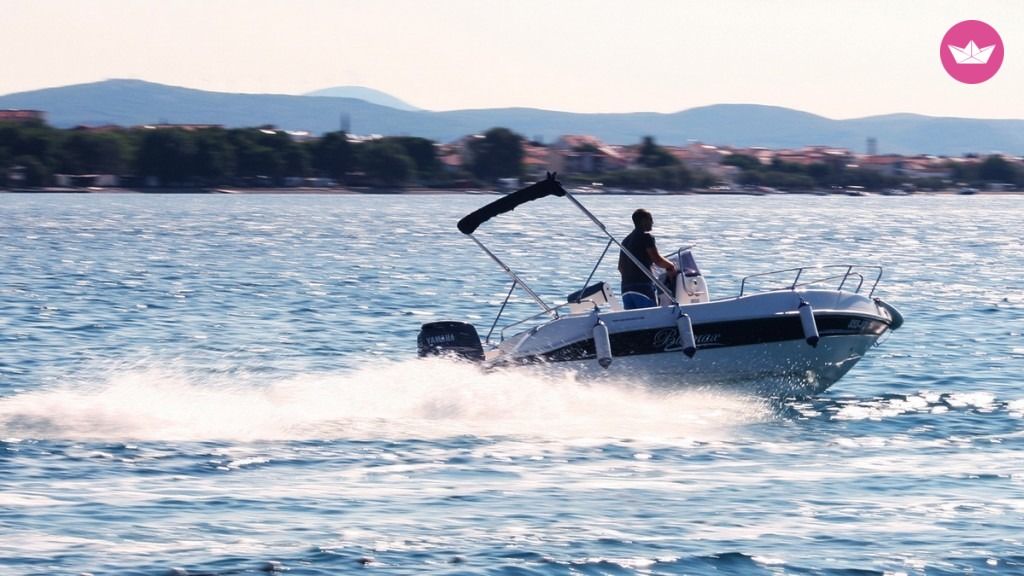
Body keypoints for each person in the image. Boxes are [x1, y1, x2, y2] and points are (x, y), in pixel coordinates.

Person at [618, 208, 677, 309]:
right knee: (652, 315)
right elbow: (657, 260)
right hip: (642, 288)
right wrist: (670, 266)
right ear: (643, 221)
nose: (652, 222)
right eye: (650, 219)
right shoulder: (646, 237)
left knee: (634, 318)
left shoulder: (625, 241)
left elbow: (620, 267)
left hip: (626, 289)